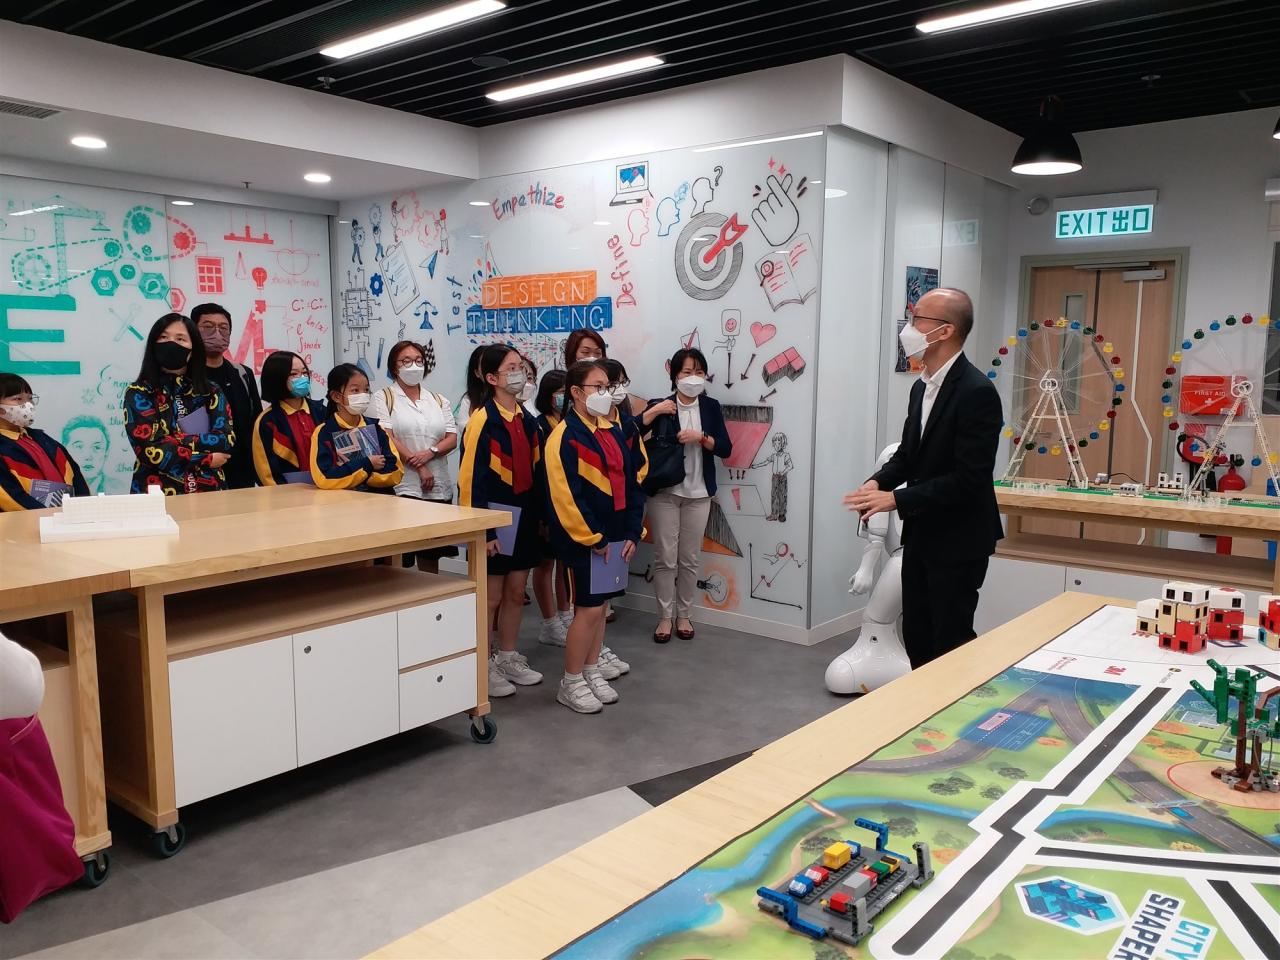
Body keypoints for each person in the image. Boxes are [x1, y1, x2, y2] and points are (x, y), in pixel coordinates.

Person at [844, 287, 1003, 669]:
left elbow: (969, 478)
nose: (908, 328)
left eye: (917, 320)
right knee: (916, 635)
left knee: (949, 643)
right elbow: (908, 456)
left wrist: (896, 500)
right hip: (920, 535)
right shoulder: (921, 387)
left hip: (959, 540)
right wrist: (877, 483)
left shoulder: (977, 392)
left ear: (945, 331)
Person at [545, 360, 644, 713]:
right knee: (586, 611)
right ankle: (571, 682)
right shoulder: (563, 437)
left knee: (601, 610)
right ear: (575, 392)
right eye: (598, 387)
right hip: (586, 542)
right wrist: (593, 537)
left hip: (615, 538)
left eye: (608, 386)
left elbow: (631, 483)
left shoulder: (611, 429)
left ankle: (590, 669)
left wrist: (632, 531)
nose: (606, 393)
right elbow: (566, 497)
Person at [457, 345, 544, 697]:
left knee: (515, 592)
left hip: (525, 518)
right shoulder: (481, 420)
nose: (519, 373)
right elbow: (470, 481)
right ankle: (484, 663)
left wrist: (541, 518)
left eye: (520, 366)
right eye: (511, 368)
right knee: (490, 598)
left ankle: (508, 656)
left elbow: (538, 473)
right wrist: (485, 530)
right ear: (492, 378)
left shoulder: (528, 420)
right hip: (494, 517)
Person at [640, 347, 732, 643]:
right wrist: (654, 412)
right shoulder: (662, 405)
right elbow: (632, 435)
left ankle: (684, 615)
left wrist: (701, 438)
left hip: (699, 493)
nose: (693, 378)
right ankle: (664, 618)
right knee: (665, 558)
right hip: (665, 492)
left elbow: (726, 448)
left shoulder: (711, 406)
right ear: (675, 375)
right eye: (687, 372)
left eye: (699, 372)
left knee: (690, 558)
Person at [368, 341, 459, 573]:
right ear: (394, 366)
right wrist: (419, 466)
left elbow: (451, 438)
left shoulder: (438, 399)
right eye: (406, 361)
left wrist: (430, 453)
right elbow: (387, 436)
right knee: (402, 557)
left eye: (419, 360)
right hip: (403, 485)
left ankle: (434, 596)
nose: (414, 366)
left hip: (438, 484)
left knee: (432, 554)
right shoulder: (383, 397)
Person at [124, 312, 234, 495]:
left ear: (193, 349)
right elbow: (150, 449)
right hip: (156, 494)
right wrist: (205, 458)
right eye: (163, 337)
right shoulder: (139, 392)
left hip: (209, 490)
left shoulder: (211, 391)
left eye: (180, 339)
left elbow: (225, 440)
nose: (171, 343)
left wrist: (173, 439)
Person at [192, 303, 262, 490]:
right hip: (200, 472)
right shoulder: (185, 376)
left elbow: (256, 422)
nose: (217, 333)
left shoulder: (243, 374)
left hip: (242, 474)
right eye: (208, 326)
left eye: (224, 328)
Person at [0, 373, 90, 511]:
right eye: (18, 399)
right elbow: (11, 498)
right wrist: (48, 515)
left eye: (30, 399)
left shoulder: (42, 438)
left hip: (66, 517)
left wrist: (82, 508)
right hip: (26, 520)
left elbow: (76, 477)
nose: (28, 405)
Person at [310, 363, 403, 492]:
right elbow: (324, 478)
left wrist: (351, 472)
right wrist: (368, 464)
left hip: (381, 499)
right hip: (344, 502)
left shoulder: (377, 429)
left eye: (366, 390)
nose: (363, 395)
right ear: (336, 396)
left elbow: (396, 472)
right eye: (355, 390)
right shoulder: (324, 432)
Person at [531, 370, 572, 646]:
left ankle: (565, 613)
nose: (565, 397)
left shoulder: (571, 423)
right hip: (546, 505)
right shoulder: (539, 426)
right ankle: (549, 622)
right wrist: (543, 515)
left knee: (565, 563)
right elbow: (538, 472)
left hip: (567, 506)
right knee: (545, 564)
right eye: (560, 392)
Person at [252, 351, 327, 485]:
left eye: (304, 372)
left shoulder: (321, 411)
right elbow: (266, 473)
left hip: (327, 490)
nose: (302, 378)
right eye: (294, 374)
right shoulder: (267, 421)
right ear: (277, 379)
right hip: (287, 494)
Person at [60, 415, 110, 493]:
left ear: (106, 453)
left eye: (97, 447)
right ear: (64, 450)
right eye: (79, 447)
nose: (88, 456)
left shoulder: (120, 488)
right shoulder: (55, 487)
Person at [751, 432, 794, 522]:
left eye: (778, 443)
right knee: (774, 495)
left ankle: (781, 514)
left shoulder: (786, 455)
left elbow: (790, 466)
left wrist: (783, 472)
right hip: (775, 478)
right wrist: (756, 466)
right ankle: (774, 514)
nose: (776, 446)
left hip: (782, 478)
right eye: (775, 444)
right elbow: (766, 462)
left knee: (782, 495)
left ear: (783, 444)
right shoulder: (774, 456)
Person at [456, 345, 488, 425]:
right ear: (477, 373)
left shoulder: (511, 395)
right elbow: (464, 428)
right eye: (485, 365)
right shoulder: (469, 399)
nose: (491, 369)